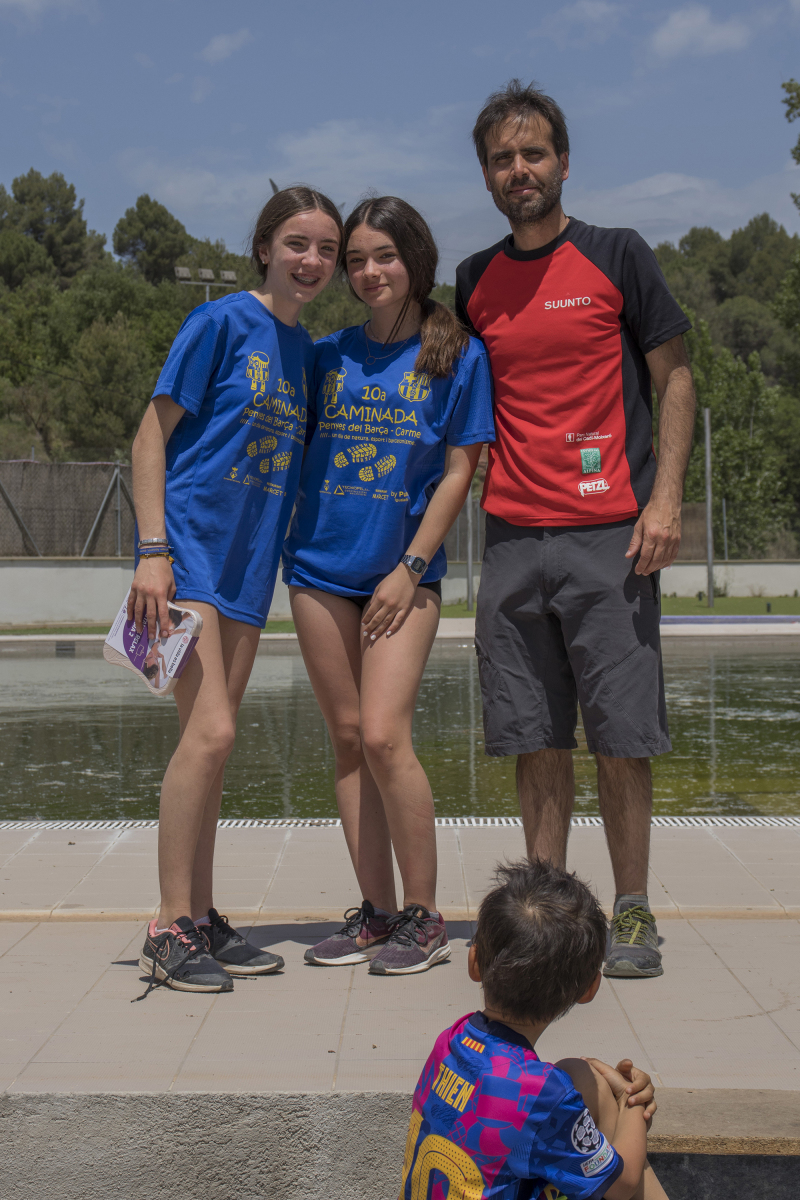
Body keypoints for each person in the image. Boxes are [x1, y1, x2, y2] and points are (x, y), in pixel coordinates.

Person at [455, 80, 697, 979]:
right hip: (514, 540)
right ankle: (546, 914)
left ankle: (632, 912)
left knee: (622, 736)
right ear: (486, 175)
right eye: (502, 159)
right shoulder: (473, 280)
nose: (519, 169)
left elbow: (676, 378)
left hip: (610, 536)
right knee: (534, 736)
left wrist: (664, 500)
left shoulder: (618, 255)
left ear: (563, 162)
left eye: (533, 153)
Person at [128, 185, 343, 996]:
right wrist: (153, 552)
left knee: (212, 748)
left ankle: (201, 916)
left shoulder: (305, 351)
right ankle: (167, 928)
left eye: (326, 249)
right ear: (264, 248)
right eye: (297, 243)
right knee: (211, 733)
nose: (312, 260)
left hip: (250, 571)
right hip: (190, 555)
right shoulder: (218, 322)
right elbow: (150, 436)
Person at [283, 196, 495, 976]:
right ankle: (375, 914)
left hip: (404, 579)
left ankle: (425, 917)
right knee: (346, 741)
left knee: (382, 736)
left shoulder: (458, 356)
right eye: (357, 261)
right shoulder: (328, 355)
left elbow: (461, 471)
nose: (369, 272)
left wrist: (410, 568)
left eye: (385, 256)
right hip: (318, 572)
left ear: (415, 259)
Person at [399, 860, 668, 1200]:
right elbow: (623, 1184)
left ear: (474, 963)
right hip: (587, 1145)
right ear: (590, 988)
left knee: (580, 1074)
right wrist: (631, 1103)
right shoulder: (541, 1094)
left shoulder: (451, 1041)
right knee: (610, 1127)